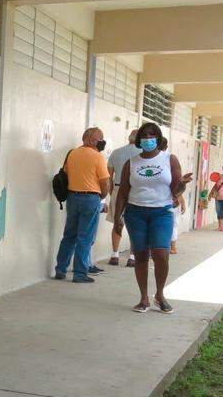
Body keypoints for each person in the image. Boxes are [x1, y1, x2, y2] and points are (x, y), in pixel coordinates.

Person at [115, 122, 193, 313]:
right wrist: (118, 217)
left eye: (152, 136)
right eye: (144, 136)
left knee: (161, 255)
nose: (148, 139)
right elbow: (123, 192)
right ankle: (143, 298)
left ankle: (160, 294)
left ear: (158, 139)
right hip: (136, 213)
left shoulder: (169, 159)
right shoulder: (131, 162)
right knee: (141, 255)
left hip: (162, 212)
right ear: (139, 140)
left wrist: (182, 185)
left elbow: (175, 188)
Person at [54, 127, 111, 283]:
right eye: (101, 138)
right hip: (90, 198)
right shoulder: (97, 157)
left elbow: (65, 173)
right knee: (85, 238)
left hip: (72, 197)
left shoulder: (72, 153)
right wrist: (103, 196)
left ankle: (60, 269)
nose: (102, 141)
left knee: (69, 236)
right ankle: (79, 273)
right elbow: (105, 182)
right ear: (92, 140)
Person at [107, 129, 140, 267]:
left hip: (117, 189)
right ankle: (132, 257)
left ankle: (115, 255)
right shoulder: (143, 154)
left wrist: (112, 192)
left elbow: (109, 176)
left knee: (117, 223)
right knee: (136, 226)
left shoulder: (116, 152)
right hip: (135, 191)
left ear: (129, 138)